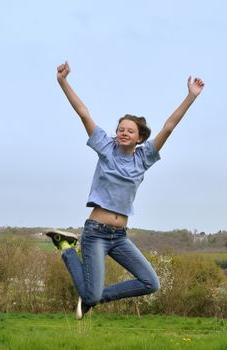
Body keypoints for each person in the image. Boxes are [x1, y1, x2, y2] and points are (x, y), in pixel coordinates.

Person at [46, 61, 204, 320]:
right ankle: (66, 248)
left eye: (130, 131)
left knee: (150, 282)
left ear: (140, 137)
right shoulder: (106, 148)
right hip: (96, 234)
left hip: (119, 237)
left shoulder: (144, 158)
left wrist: (190, 96)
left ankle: (90, 297)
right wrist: (63, 82)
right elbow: (84, 113)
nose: (123, 133)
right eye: (120, 129)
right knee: (92, 296)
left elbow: (169, 127)